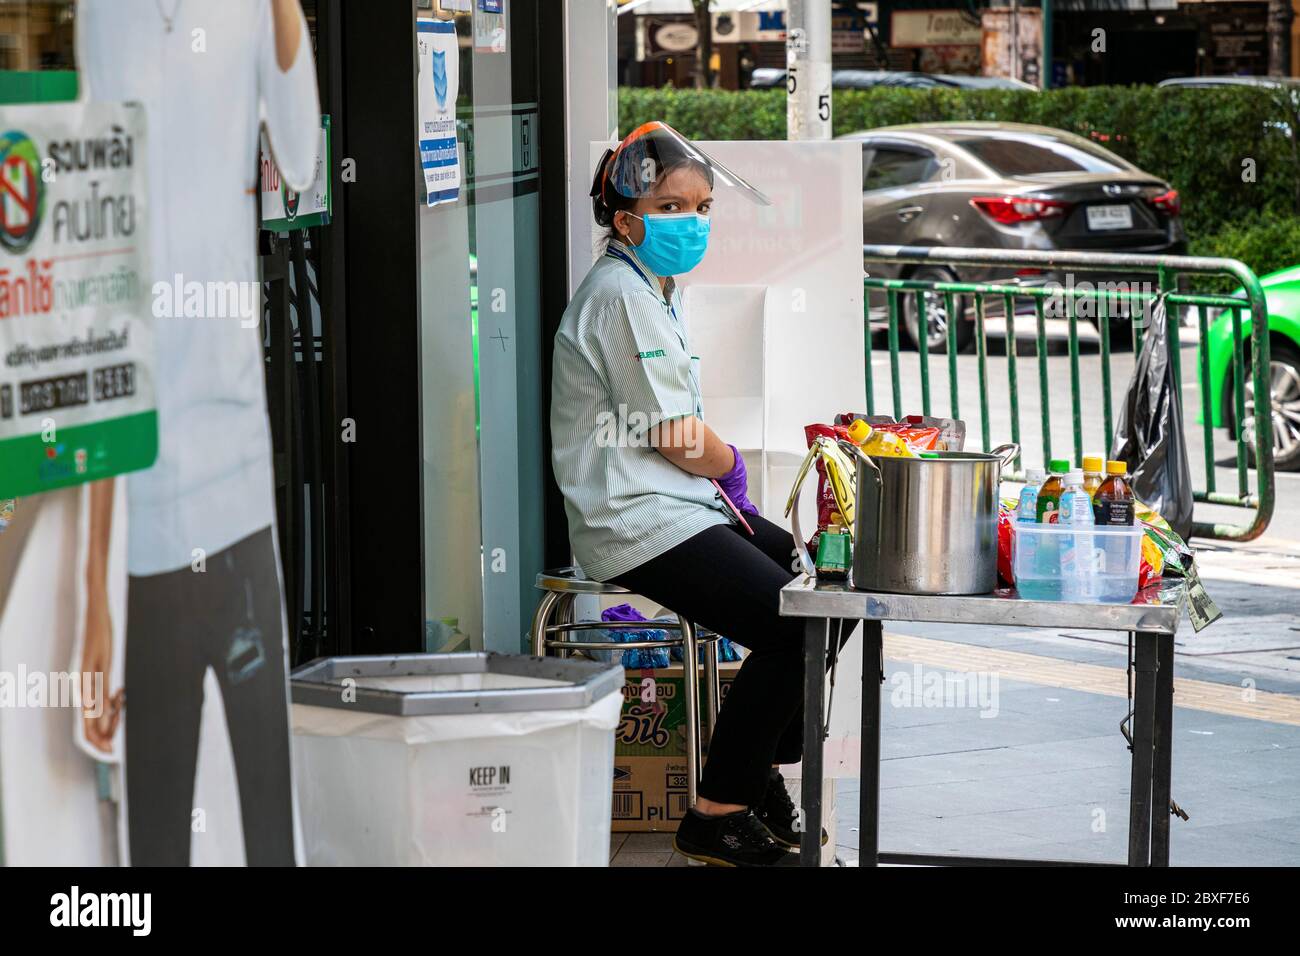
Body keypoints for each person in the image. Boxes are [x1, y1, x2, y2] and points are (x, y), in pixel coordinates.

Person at [551, 122, 854, 867]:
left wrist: (724, 489)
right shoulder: (620, 296)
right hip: (634, 518)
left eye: (703, 206)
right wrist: (729, 469)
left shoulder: (654, 288)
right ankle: (717, 814)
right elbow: (677, 438)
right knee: (794, 623)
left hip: (679, 506)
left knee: (834, 591)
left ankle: (750, 777)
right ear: (625, 220)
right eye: (673, 207)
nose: (693, 222)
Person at [75, 0, 321, 865]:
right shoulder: (100, 15)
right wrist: (95, 607)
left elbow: (302, 154)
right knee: (153, 839)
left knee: (265, 827)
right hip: (143, 516)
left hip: (237, 492)